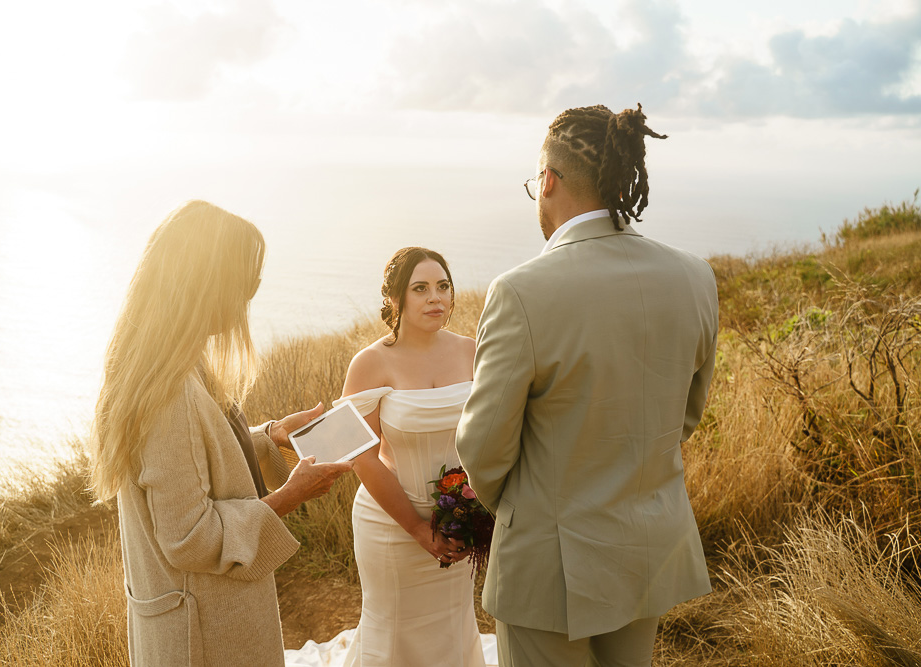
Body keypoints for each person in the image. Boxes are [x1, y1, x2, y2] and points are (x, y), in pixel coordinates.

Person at [455, 104, 718, 667]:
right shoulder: (695, 276)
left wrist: (525, 509)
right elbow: (685, 416)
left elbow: (482, 447)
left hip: (548, 565)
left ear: (547, 180)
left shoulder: (521, 292)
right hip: (647, 550)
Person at [89, 200, 352, 667]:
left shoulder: (170, 366)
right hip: (203, 640)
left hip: (201, 624)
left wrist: (269, 437)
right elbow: (188, 536)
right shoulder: (169, 393)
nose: (248, 295)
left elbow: (187, 460)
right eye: (240, 282)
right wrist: (289, 496)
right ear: (203, 284)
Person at [296, 247, 490, 666]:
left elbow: (489, 435)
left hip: (457, 519)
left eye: (443, 286)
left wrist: (473, 509)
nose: (435, 298)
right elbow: (362, 458)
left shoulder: (471, 352)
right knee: (395, 630)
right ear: (395, 299)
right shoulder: (370, 362)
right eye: (420, 288)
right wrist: (419, 529)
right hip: (390, 524)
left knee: (452, 624)